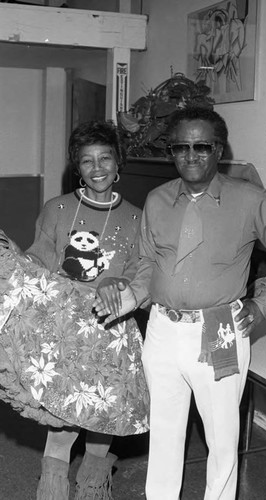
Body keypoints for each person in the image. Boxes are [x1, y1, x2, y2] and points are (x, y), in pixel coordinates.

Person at [93, 106, 266, 500]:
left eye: (201, 146)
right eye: (180, 147)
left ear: (219, 149)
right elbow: (147, 262)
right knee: (165, 431)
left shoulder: (250, 200)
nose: (190, 155)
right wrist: (130, 296)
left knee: (222, 439)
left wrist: (265, 302)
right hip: (162, 330)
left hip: (218, 328)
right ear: (171, 152)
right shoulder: (157, 200)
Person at [0, 121, 149, 500]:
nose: (97, 168)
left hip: (113, 332)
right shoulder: (58, 208)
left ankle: (93, 491)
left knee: (104, 427)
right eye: (87, 161)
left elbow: (139, 272)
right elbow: (41, 259)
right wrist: (17, 261)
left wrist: (120, 286)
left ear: (118, 163)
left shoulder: (137, 217)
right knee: (61, 432)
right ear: (76, 167)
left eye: (105, 158)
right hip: (65, 331)